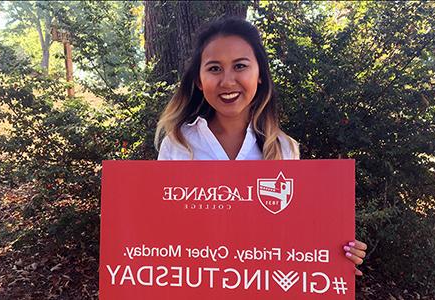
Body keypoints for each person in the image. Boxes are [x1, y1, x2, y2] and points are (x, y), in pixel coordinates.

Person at [155, 17, 367, 275]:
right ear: (199, 80)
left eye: (240, 66)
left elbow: (292, 236)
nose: (227, 81)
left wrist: (333, 255)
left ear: (260, 76)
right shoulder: (177, 144)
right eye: (214, 69)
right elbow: (161, 232)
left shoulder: (283, 148)